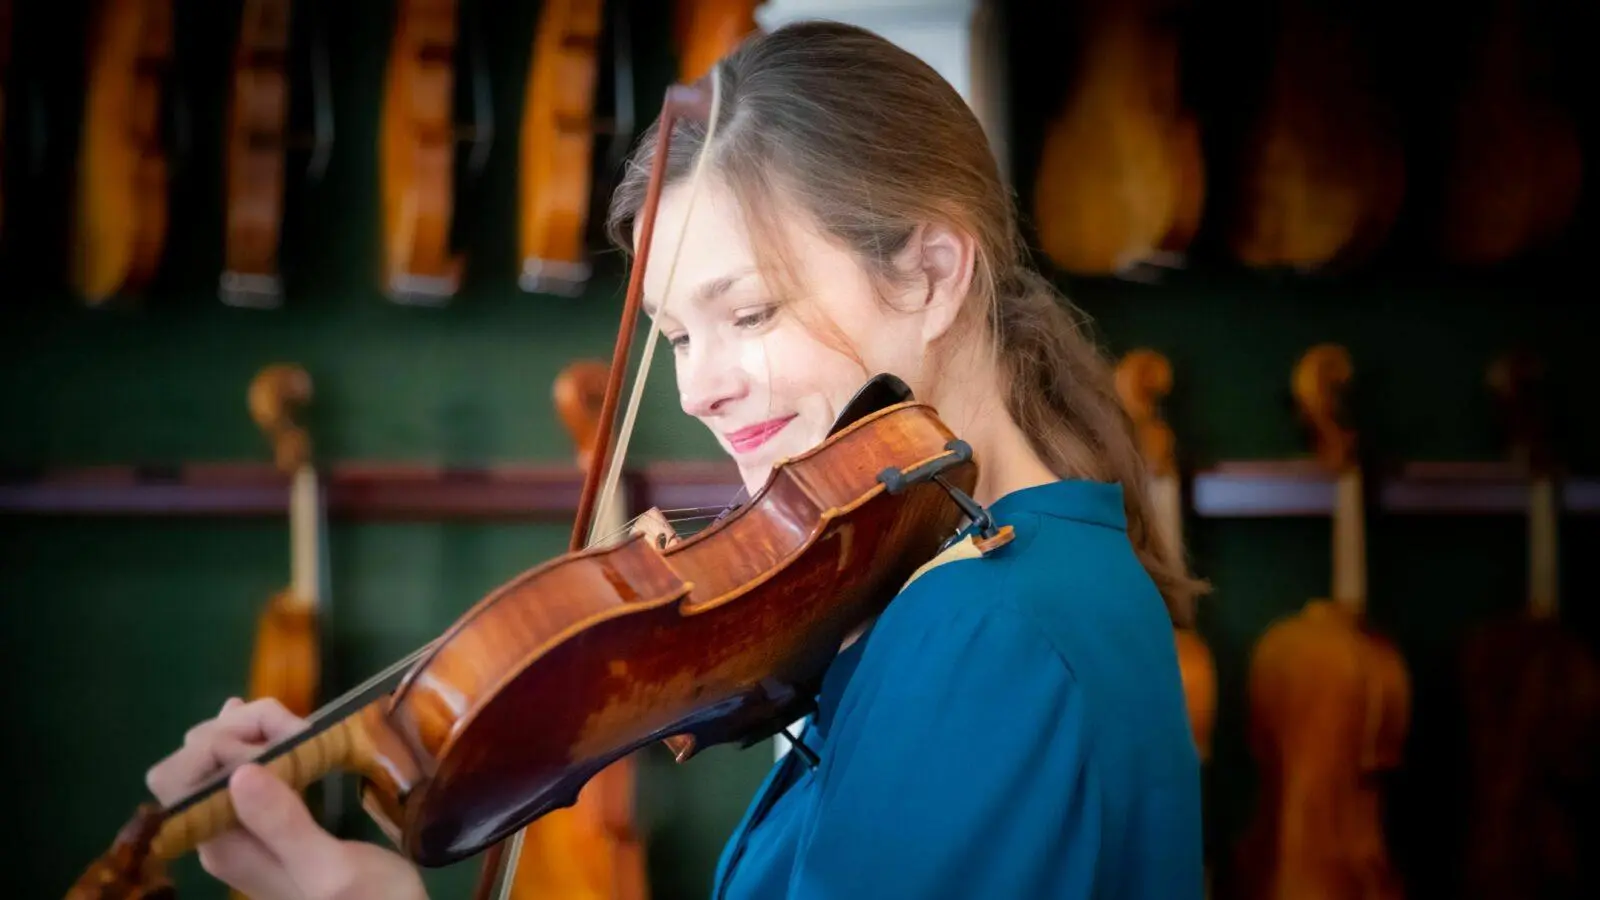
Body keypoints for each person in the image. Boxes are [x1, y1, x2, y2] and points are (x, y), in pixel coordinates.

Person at [142, 20, 1207, 900]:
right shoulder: (1026, 566)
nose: (697, 390)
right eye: (678, 333)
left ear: (931, 271)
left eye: (747, 311)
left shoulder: (980, 629)